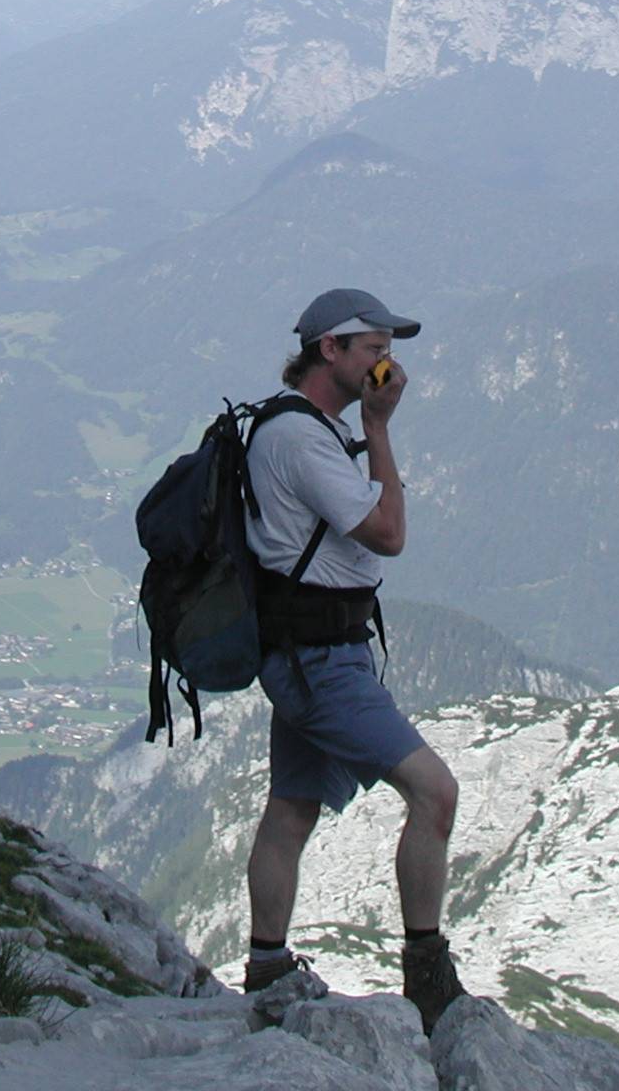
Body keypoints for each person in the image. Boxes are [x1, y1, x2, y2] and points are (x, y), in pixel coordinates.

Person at [239, 287, 467, 1034]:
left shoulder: (306, 429)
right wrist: (378, 427)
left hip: (311, 651)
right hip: (321, 661)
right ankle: (426, 975)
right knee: (435, 794)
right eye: (373, 350)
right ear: (328, 349)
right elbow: (388, 533)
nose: (384, 365)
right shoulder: (302, 439)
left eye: (387, 352)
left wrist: (364, 427)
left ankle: (266, 967)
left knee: (292, 807)